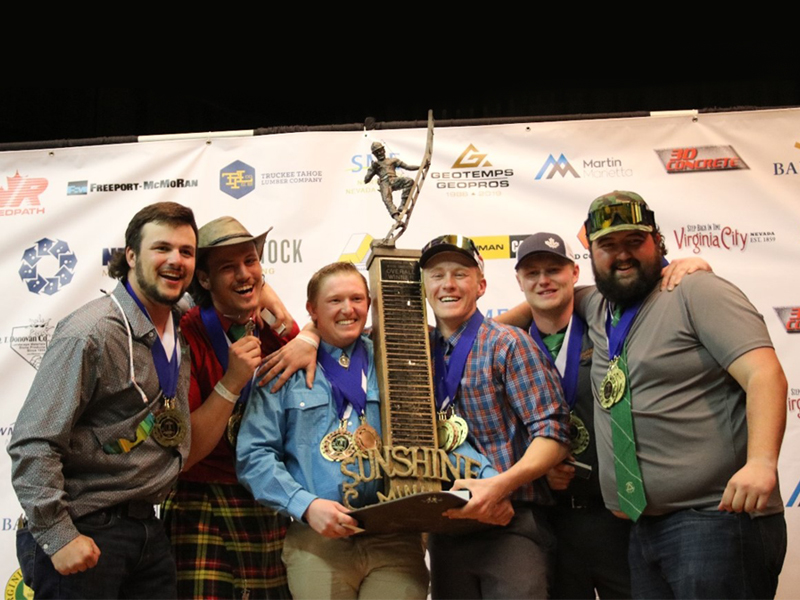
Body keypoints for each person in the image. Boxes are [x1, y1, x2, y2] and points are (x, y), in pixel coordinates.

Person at [578, 190, 787, 598]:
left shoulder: (697, 291)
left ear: (658, 241)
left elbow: (764, 374)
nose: (622, 255)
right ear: (590, 253)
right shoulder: (598, 306)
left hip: (717, 520)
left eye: (634, 241)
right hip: (644, 529)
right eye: (608, 245)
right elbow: (542, 302)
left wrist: (762, 462)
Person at [9, 202, 198, 599]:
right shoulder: (90, 332)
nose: (176, 260)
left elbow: (237, 288)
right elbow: (34, 442)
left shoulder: (180, 321)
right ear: (130, 256)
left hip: (147, 530)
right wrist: (58, 536)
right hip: (85, 528)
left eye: (187, 251)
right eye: (161, 248)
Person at [236, 262, 433, 600]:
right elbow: (254, 455)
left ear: (369, 305)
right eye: (335, 300)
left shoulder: (399, 361)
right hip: (317, 537)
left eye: (357, 299)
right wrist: (306, 505)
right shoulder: (281, 370)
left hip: (395, 537)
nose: (348, 309)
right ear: (312, 310)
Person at [419, 234, 571, 599]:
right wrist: (307, 337)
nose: (448, 285)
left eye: (460, 274)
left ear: (481, 285)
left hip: (511, 521)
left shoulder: (509, 343)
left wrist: (500, 485)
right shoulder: (413, 352)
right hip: (447, 528)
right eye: (437, 275)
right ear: (423, 287)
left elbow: (553, 433)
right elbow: (339, 327)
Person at [160, 216, 299, 599]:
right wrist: (232, 381)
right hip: (199, 498)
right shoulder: (185, 334)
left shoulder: (280, 330)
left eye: (250, 261)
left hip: (268, 496)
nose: (244, 274)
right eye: (227, 267)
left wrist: (313, 337)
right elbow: (184, 454)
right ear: (203, 280)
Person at [514, 232, 632, 599]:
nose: (543, 280)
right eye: (532, 273)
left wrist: (689, 267)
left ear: (575, 272)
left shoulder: (607, 328)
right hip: (551, 521)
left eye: (554, 269)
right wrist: (537, 464)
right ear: (518, 281)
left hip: (616, 516)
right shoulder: (509, 348)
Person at [363, 141, 419, 219]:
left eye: (380, 150)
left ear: (384, 150)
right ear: (374, 154)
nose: (379, 153)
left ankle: (403, 205)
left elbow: (408, 167)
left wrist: (421, 167)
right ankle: (396, 217)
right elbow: (366, 180)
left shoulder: (393, 160)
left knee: (409, 181)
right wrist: (373, 169)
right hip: (384, 182)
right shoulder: (375, 165)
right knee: (387, 199)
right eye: (376, 152)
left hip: (393, 180)